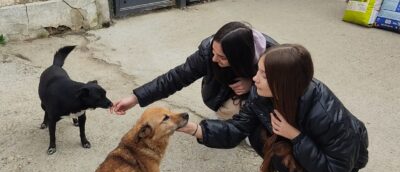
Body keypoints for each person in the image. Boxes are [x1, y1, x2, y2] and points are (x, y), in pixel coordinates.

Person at [178, 44, 369, 172]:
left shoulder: (325, 114)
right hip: (307, 149)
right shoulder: (262, 93)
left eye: (263, 74)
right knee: (255, 133)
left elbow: (336, 171)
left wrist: (296, 136)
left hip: (339, 168)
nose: (254, 78)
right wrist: (193, 128)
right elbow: (238, 128)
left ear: (284, 82)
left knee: (276, 140)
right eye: (258, 70)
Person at [112, 21, 278, 120]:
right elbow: (175, 78)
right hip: (223, 96)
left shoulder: (274, 55)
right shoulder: (208, 52)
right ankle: (233, 121)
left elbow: (288, 92)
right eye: (214, 52)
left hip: (259, 97)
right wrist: (135, 98)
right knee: (233, 114)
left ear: (239, 56)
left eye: (222, 57)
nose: (213, 59)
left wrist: (253, 84)